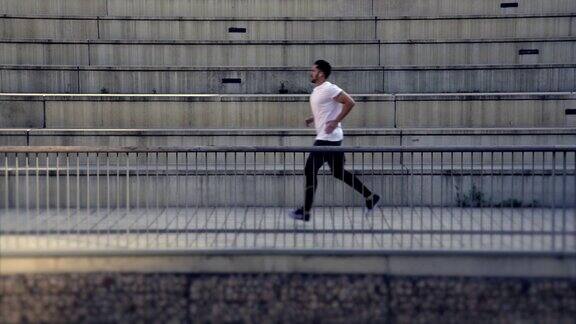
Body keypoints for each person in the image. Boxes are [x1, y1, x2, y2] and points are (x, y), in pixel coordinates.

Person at [289, 60, 380, 221]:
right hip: (331, 138)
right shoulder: (318, 90)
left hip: (327, 139)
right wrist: (313, 118)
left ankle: (306, 211)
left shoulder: (329, 88)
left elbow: (350, 102)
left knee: (309, 170)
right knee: (338, 172)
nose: (311, 73)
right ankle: (370, 196)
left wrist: (336, 121)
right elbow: (326, 109)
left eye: (313, 70)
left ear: (321, 73)